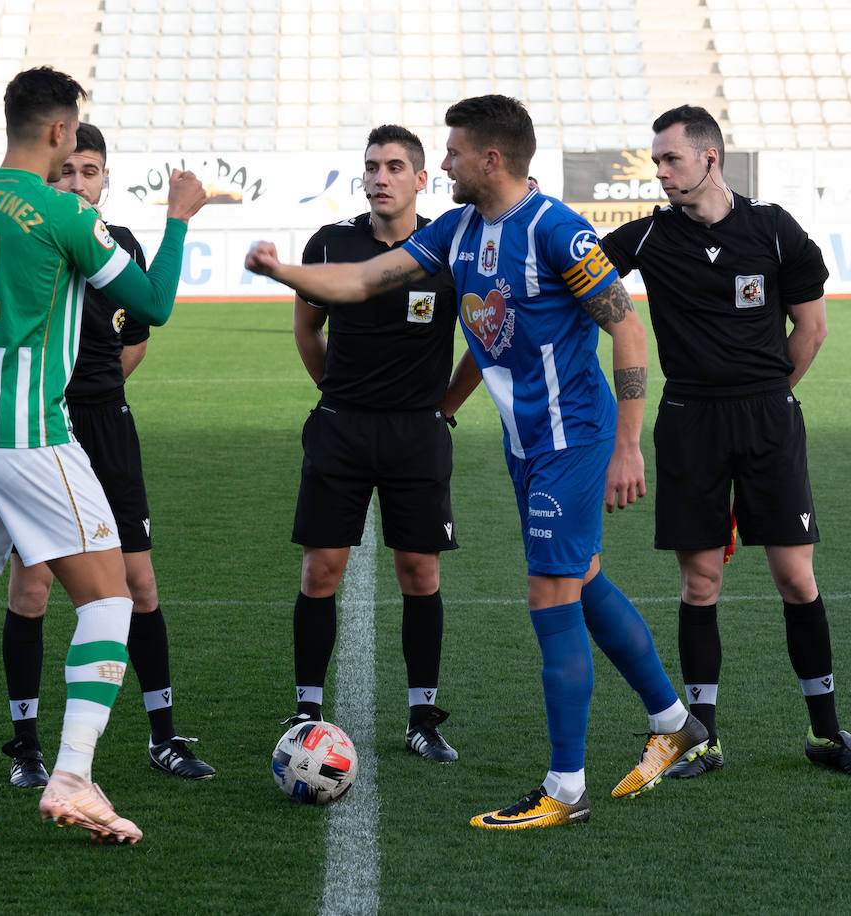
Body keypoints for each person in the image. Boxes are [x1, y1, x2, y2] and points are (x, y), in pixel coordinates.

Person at [245, 95, 707, 830]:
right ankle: (677, 724)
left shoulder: (558, 231)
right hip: (525, 443)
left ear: (490, 159)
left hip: (574, 440)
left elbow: (628, 332)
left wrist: (626, 445)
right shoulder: (459, 230)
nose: (445, 164)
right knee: (582, 581)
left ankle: (566, 788)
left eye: (452, 152)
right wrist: (285, 273)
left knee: (550, 598)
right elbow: (365, 280)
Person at [0, 66, 207, 846]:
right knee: (112, 597)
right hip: (28, 438)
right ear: (61, 133)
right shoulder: (64, 213)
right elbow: (150, 306)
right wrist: (181, 219)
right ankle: (74, 775)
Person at [600, 104, 851, 778]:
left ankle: (825, 733)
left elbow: (810, 330)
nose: (661, 171)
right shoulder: (644, 240)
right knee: (701, 584)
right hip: (690, 420)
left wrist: (765, 393)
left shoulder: (775, 231)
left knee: (795, 576)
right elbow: (574, 276)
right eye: (657, 159)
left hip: (767, 420)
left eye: (671, 158)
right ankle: (703, 738)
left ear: (709, 158)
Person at [0, 123, 214, 788]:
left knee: (139, 585)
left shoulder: (119, 245)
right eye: (65, 172)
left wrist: (104, 391)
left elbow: (139, 331)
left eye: (87, 172)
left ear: (105, 179)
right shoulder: (27, 241)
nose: (75, 183)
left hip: (107, 428)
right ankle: (28, 747)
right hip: (38, 429)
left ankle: (163, 736)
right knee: (32, 588)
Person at [285, 125, 461, 762]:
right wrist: (336, 393)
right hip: (342, 429)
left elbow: (486, 334)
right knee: (321, 570)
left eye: (394, 166)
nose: (380, 177)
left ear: (421, 178)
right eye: (371, 167)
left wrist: (445, 406)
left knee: (420, 572)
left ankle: (422, 715)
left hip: (418, 432)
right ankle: (306, 709)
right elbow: (308, 328)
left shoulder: (448, 247)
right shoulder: (332, 244)